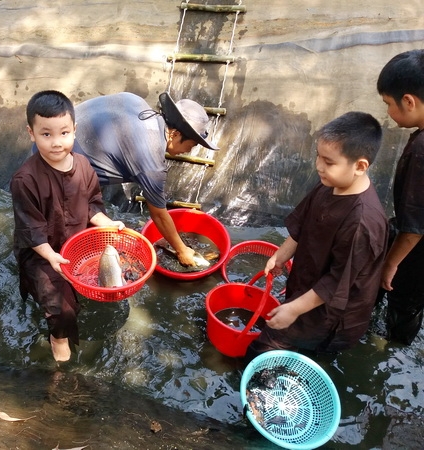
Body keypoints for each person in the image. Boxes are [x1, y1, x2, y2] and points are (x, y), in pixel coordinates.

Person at [245, 112, 388, 362]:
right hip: (307, 288)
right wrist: (280, 255)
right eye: (318, 156)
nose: (318, 166)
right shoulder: (331, 183)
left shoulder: (363, 222)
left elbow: (336, 283)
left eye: (328, 161)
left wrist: (293, 309)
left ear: (360, 166)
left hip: (330, 314)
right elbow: (302, 224)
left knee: (262, 352)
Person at [11, 90, 125, 362]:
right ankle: (57, 337)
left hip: (77, 243)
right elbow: (31, 229)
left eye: (63, 133)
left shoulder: (84, 166)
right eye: (46, 134)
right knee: (61, 308)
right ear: (31, 133)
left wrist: (108, 224)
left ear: (74, 129)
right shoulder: (24, 180)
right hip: (41, 252)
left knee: (86, 291)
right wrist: (51, 256)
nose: (56, 142)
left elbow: (93, 206)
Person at [73, 92, 219, 266]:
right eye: (191, 145)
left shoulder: (138, 103)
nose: (189, 151)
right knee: (79, 247)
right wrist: (181, 249)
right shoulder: (152, 162)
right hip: (61, 172)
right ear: (174, 134)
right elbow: (159, 215)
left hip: (57, 137)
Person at [376, 49, 424, 345]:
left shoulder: (421, 151)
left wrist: (391, 264)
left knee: (403, 299)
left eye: (387, 104)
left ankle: (394, 345)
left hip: (417, 254)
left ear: (409, 101)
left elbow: (415, 225)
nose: (387, 112)